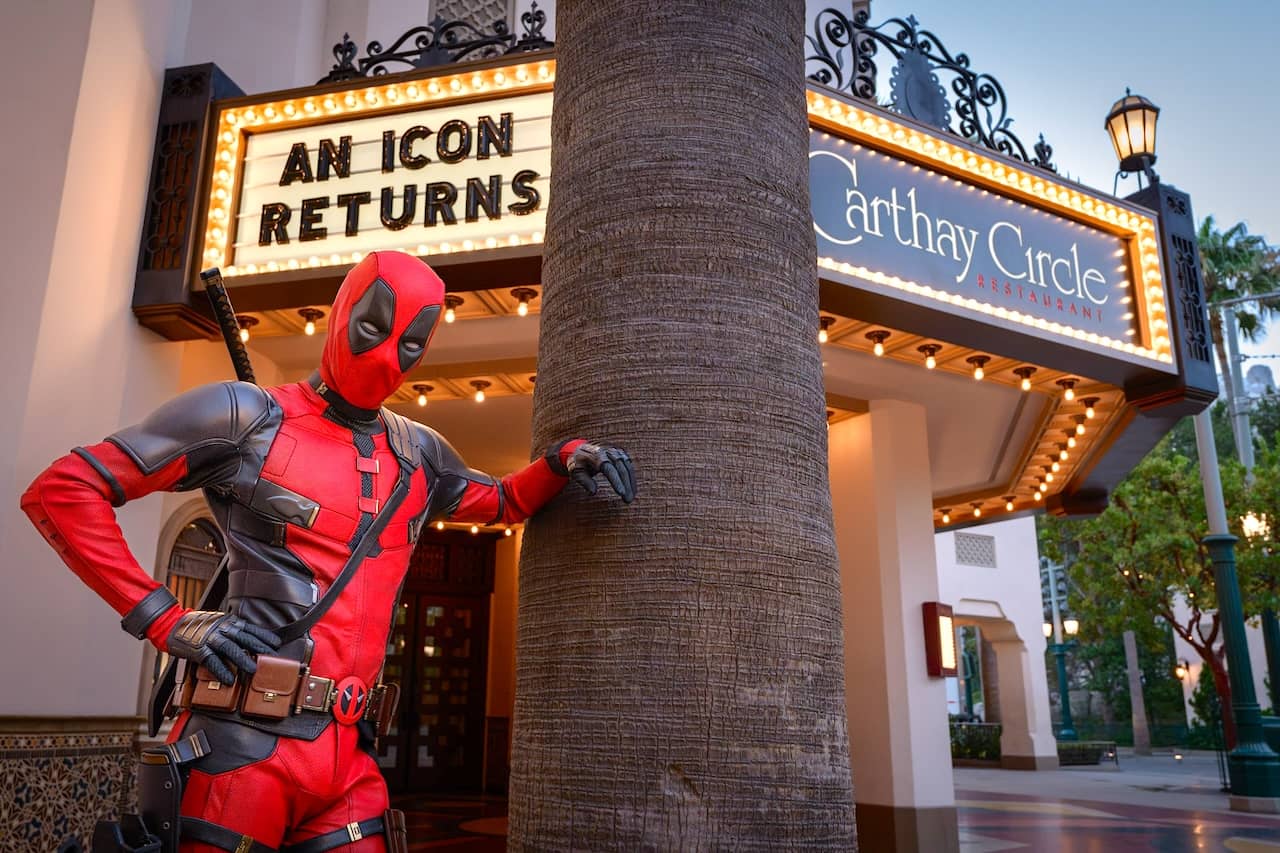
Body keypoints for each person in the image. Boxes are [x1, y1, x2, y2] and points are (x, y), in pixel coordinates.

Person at [21, 251, 635, 852]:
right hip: (239, 744)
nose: (387, 356)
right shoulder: (243, 416)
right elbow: (63, 491)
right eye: (372, 327)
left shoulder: (418, 453)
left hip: (349, 761)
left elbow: (502, 501)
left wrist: (562, 460)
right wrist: (168, 619)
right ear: (341, 313)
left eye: (411, 344)